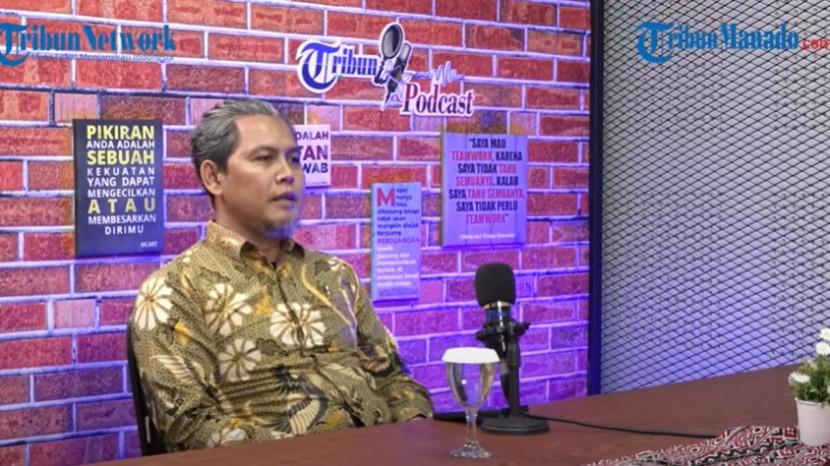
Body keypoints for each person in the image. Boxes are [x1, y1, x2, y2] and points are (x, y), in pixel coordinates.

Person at [129, 98, 433, 452]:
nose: (287, 173)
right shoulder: (175, 290)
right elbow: (191, 428)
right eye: (264, 158)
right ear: (214, 177)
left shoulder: (336, 275)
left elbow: (396, 379)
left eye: (294, 159)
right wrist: (328, 453)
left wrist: (415, 435)